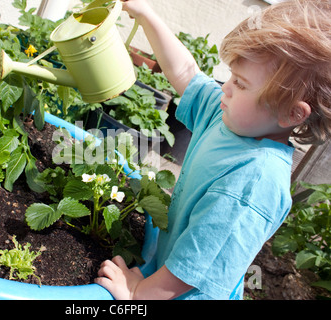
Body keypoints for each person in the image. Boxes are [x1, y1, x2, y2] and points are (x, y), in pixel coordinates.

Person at [95, 0, 331, 300]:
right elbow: (185, 71)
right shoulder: (229, 118)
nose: (226, 87)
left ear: (291, 114)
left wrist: (136, 293)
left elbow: (194, 267)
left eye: (241, 84)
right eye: (231, 75)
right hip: (166, 274)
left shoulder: (254, 180)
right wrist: (145, 14)